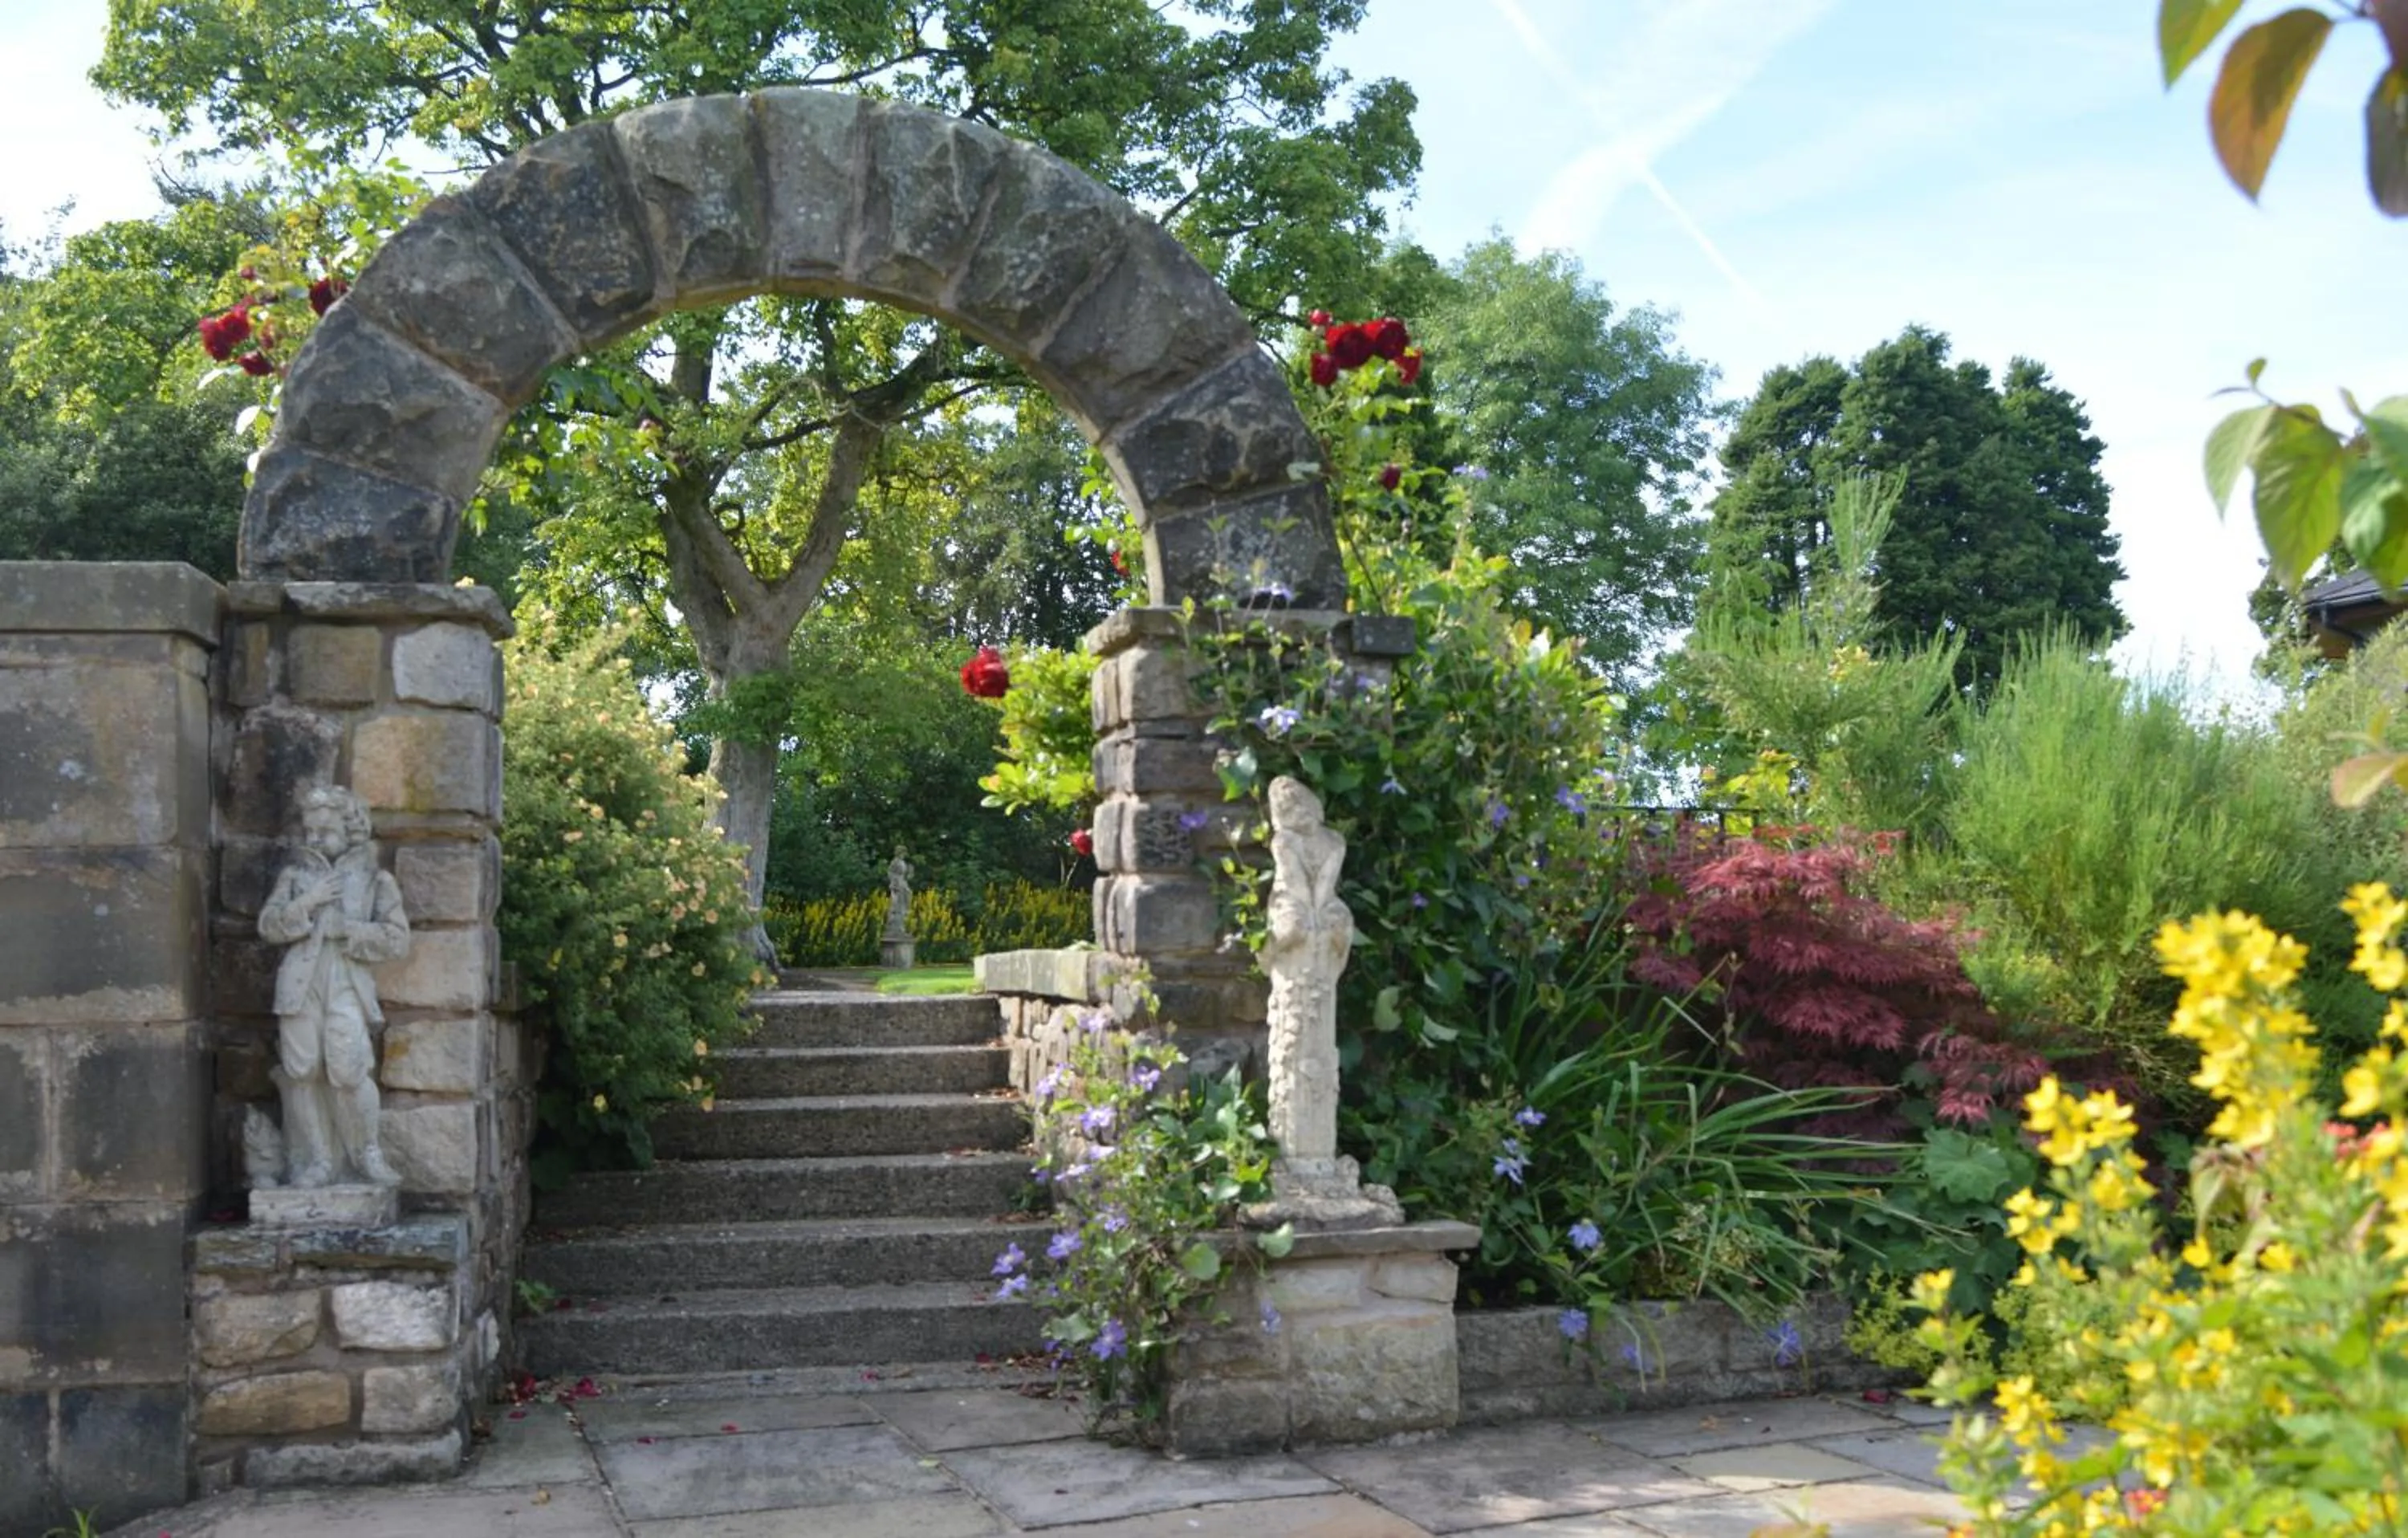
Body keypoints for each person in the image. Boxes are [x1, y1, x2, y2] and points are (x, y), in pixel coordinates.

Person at [256, 785, 410, 1187]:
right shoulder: (294, 876)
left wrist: (351, 930)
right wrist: (306, 903)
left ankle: (367, 1153)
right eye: (309, 831)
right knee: (302, 1070)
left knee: (348, 1069)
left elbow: (397, 938)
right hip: (299, 983)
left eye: (324, 831)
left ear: (350, 828)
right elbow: (269, 926)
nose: (314, 839)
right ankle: (319, 1161)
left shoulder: (375, 878)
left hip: (346, 979)